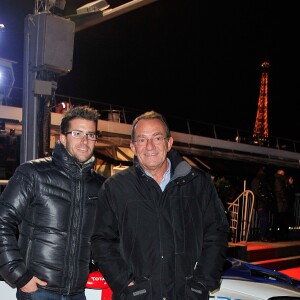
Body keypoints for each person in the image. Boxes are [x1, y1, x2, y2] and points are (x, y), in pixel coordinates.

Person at [92, 110, 230, 299]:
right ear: (133, 146)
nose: (149, 146)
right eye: (142, 139)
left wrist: (201, 283)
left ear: (169, 142)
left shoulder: (198, 183)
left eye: (157, 138)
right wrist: (126, 284)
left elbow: (217, 233)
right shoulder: (115, 188)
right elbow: (102, 241)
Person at [0, 106, 106, 300]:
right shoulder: (33, 173)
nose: (85, 141)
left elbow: (104, 237)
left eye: (91, 135)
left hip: (78, 293)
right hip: (38, 291)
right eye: (77, 133)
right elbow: (2, 222)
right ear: (63, 138)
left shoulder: (99, 186)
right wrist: (19, 275)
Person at [251, 166, 274, 242]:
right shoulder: (258, 180)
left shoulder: (261, 180)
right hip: (260, 203)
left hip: (263, 203)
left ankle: (264, 235)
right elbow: (257, 193)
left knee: (265, 220)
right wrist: (265, 198)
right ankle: (262, 236)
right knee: (264, 220)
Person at [273, 169, 293, 241]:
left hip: (282, 204)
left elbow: (287, 190)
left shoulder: (282, 181)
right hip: (280, 204)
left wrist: (289, 184)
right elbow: (281, 191)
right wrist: (285, 200)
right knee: (280, 220)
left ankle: (282, 235)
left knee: (283, 221)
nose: (283, 175)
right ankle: (279, 236)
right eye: (282, 174)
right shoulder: (279, 180)